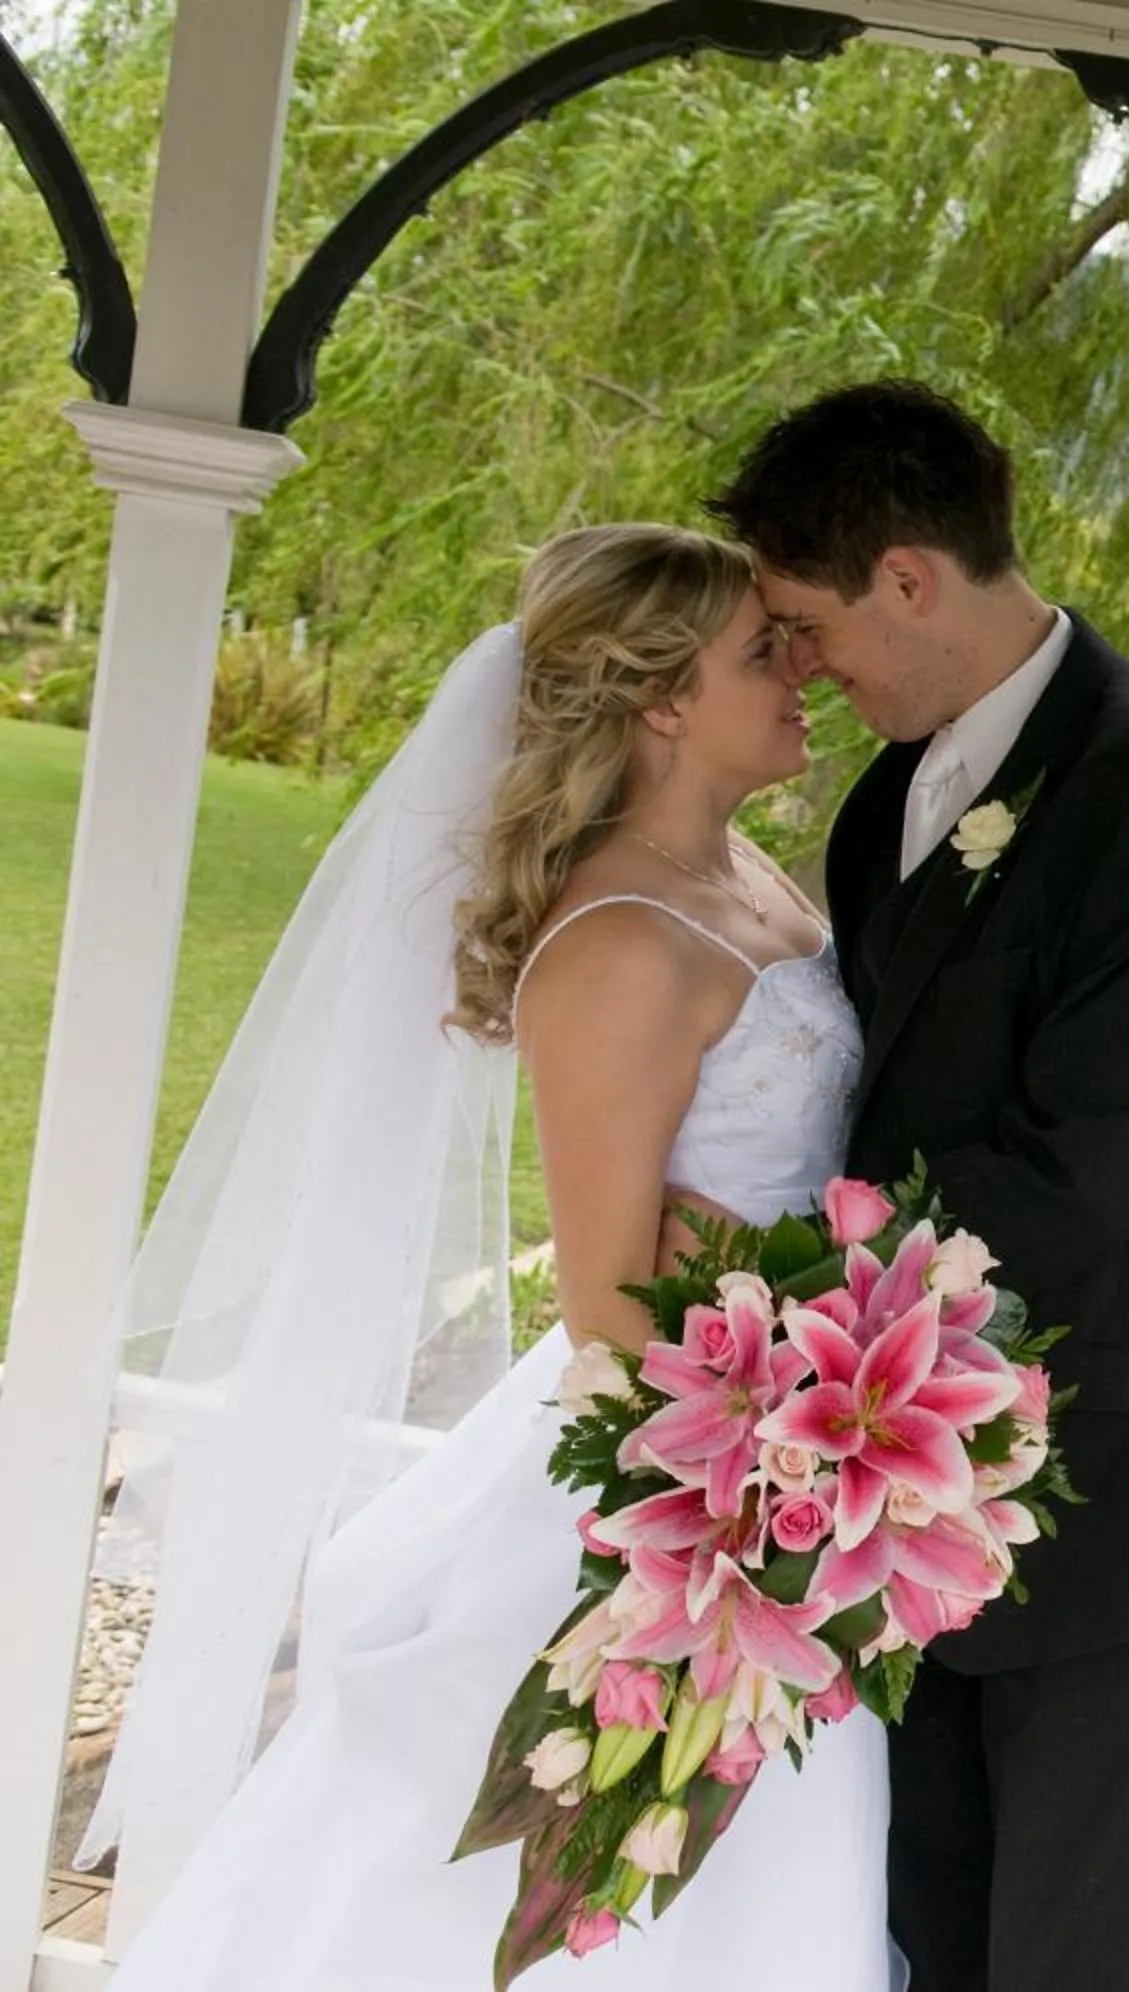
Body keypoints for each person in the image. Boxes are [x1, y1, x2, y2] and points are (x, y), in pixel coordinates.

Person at [88, 525, 894, 1988]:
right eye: (762, 650)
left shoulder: (748, 874)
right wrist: (775, 1472)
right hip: (696, 1466)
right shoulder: (622, 944)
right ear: (660, 697)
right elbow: (608, 1303)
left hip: (798, 1426)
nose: (805, 671)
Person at [710, 379, 1129, 1992]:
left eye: (806, 622)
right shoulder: (885, 800)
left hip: (1109, 1468)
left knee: (1071, 1954)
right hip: (905, 1474)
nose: (801, 664)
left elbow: (1076, 1165)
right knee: (928, 1923)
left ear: (909, 579)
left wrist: (785, 1335)